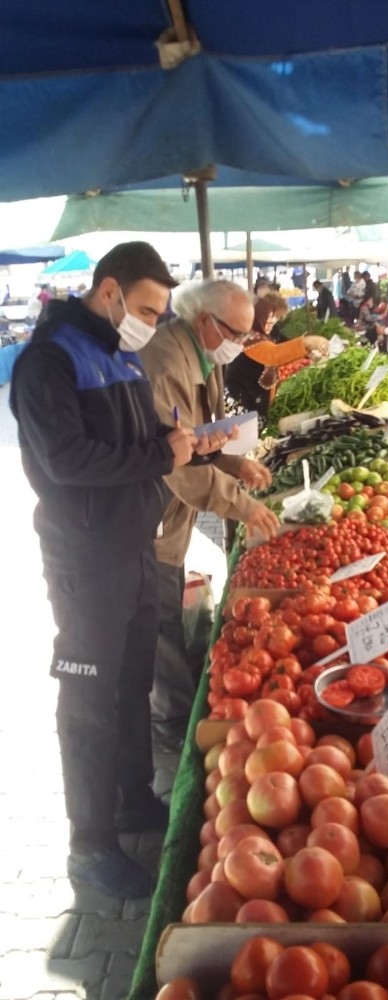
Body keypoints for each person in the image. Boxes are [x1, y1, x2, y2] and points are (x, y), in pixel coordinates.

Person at [9, 241, 204, 899]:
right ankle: (88, 845)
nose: (152, 321)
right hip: (84, 561)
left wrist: (184, 446)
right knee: (88, 702)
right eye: (147, 307)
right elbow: (66, 461)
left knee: (132, 682)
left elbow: (145, 442)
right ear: (110, 290)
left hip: (134, 550)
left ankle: (131, 800)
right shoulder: (47, 362)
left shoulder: (118, 355)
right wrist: (158, 455)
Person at [140, 280, 280, 750]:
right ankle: (173, 725)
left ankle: (171, 712)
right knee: (160, 617)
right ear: (204, 322)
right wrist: (242, 504)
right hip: (150, 513)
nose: (241, 344)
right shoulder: (165, 364)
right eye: (237, 334)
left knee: (167, 605)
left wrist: (234, 462)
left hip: (172, 515)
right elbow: (178, 466)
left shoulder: (202, 356)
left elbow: (200, 440)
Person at [225, 292, 327, 420]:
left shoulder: (263, 334)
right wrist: (306, 342)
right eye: (267, 320)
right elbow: (273, 355)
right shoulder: (249, 337)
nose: (271, 324)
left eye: (274, 321)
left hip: (253, 400)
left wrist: (307, 355)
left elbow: (282, 348)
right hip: (240, 404)